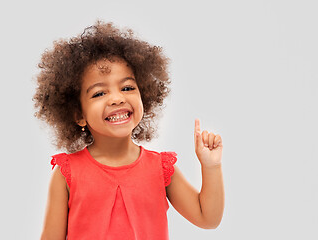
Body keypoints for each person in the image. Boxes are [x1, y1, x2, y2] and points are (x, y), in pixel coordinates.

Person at [33, 21, 224, 240]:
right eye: (99, 93)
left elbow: (207, 218)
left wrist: (211, 166)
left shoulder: (161, 168)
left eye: (127, 88)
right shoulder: (67, 173)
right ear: (78, 114)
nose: (117, 98)